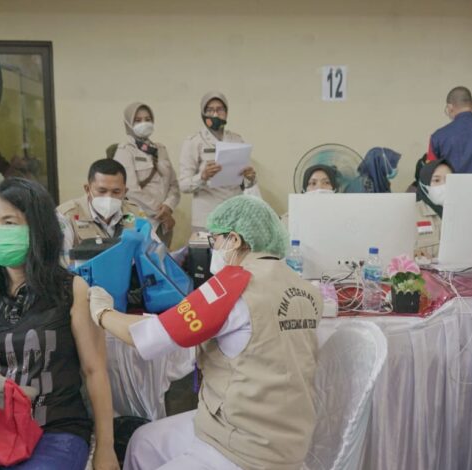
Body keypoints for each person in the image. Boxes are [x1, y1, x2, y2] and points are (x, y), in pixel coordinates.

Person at [88, 195, 322, 470]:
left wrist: (102, 312)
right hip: (287, 435)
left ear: (234, 239)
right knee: (144, 442)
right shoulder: (303, 287)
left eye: (215, 240)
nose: (214, 248)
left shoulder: (234, 285)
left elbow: (148, 337)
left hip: (242, 445)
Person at [0, 178, 119, 470]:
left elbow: (94, 370)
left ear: (38, 228)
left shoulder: (70, 289)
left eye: (9, 223)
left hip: (54, 427)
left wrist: (106, 447)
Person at [179, 91, 257, 232]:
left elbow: (246, 183)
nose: (215, 114)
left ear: (226, 113)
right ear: (203, 114)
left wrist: (250, 178)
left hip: (234, 216)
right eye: (210, 110)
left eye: (220, 109)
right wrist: (202, 177)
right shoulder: (193, 142)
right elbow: (183, 185)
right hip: (206, 218)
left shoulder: (237, 139)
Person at [113, 102, 180, 246]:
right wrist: (161, 212)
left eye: (147, 119)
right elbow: (130, 190)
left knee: (163, 258)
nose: (144, 123)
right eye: (138, 120)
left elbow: (174, 185)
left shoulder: (161, 149)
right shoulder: (125, 150)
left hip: (163, 224)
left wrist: (168, 207)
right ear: (129, 123)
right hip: (138, 221)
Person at [57, 159, 143, 265]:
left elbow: (152, 251)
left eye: (116, 192)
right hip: (82, 275)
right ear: (87, 189)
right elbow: (61, 264)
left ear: (125, 191)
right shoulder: (67, 216)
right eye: (102, 191)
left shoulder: (134, 212)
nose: (109, 197)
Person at [414, 159, 452, 261]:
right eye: (436, 180)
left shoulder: (464, 213)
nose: (444, 185)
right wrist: (412, 253)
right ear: (424, 184)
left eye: (449, 180)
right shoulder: (412, 213)